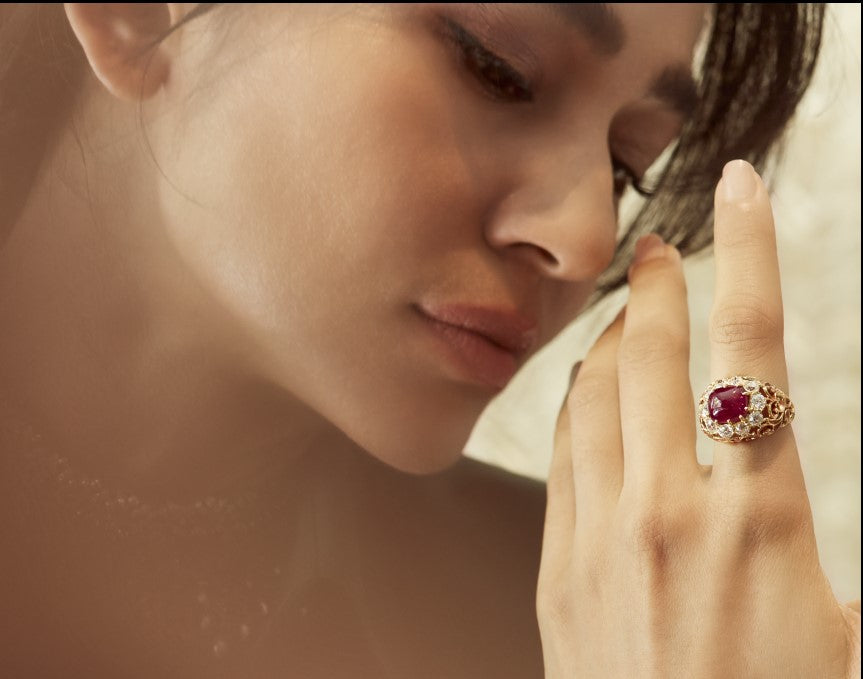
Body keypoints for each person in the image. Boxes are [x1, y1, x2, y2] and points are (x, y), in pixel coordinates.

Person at [0, 3, 857, 678]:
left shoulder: (598, 622)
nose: (589, 236)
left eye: (626, 163)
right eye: (499, 70)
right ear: (137, 12)